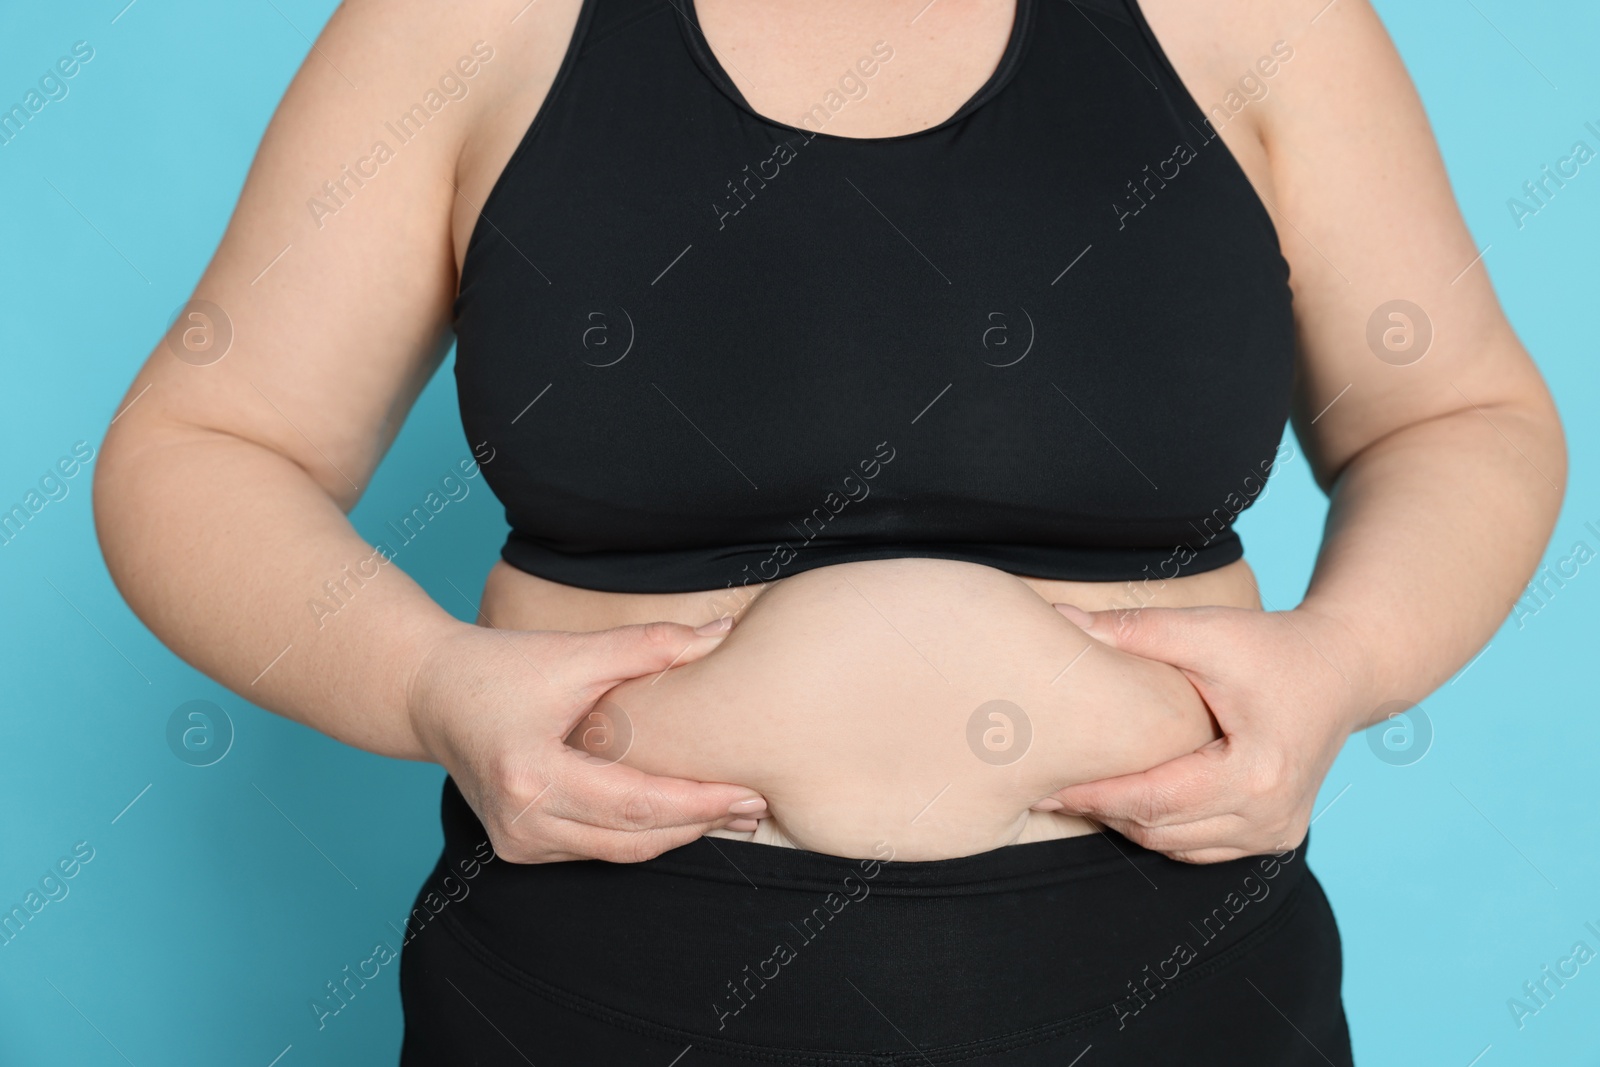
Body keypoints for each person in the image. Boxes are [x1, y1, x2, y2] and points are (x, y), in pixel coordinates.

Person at [93, 0, 1565, 1062]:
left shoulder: (1257, 22)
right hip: (596, 999)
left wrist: (1349, 662)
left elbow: (1454, 417)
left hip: (1179, 993)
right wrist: (426, 685)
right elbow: (205, 453)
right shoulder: (466, 25)